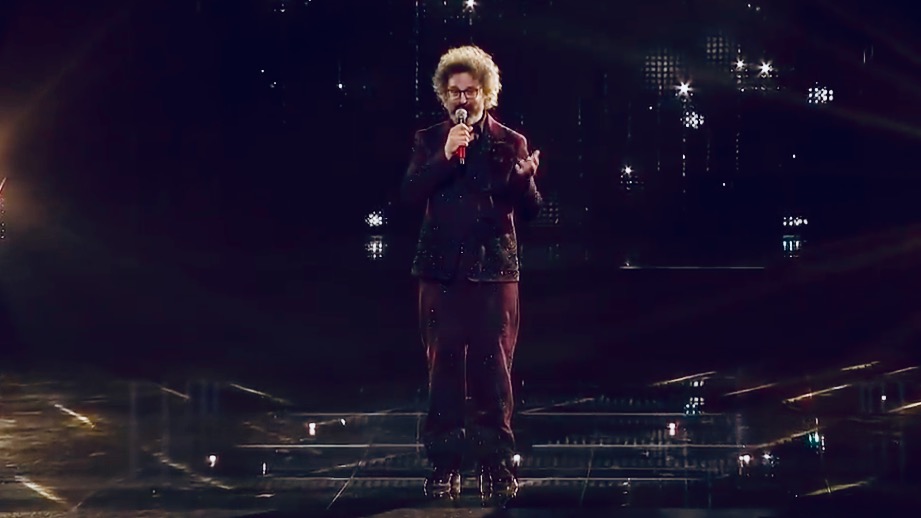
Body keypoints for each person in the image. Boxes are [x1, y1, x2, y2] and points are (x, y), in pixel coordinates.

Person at [401, 45, 542, 504]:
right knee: (442, 369)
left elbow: (532, 209)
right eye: (454, 92)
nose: (463, 99)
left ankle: (495, 462)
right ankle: (444, 463)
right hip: (440, 272)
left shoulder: (510, 142)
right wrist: (444, 156)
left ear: (486, 93)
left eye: (471, 91)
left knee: (493, 371)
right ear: (444, 95)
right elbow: (410, 193)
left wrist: (524, 181)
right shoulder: (429, 139)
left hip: (493, 272)